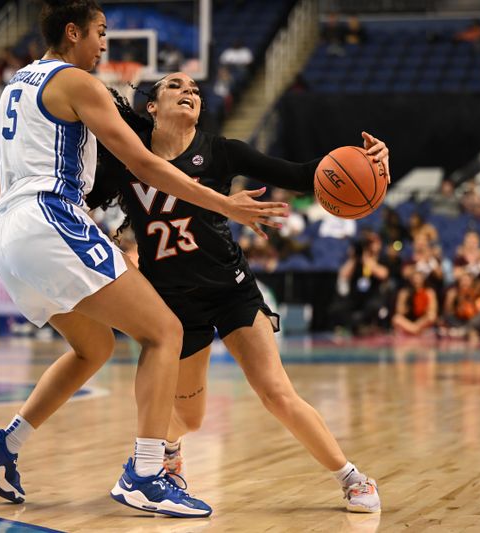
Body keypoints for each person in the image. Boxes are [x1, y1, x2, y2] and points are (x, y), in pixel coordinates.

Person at [0, 0, 286, 518]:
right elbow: (142, 163)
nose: (105, 44)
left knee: (91, 347)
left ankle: (5, 447)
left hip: (7, 233)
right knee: (165, 332)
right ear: (72, 33)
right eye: (99, 32)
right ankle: (144, 474)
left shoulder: (18, 81)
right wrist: (224, 203)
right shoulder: (76, 82)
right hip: (51, 218)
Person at [88, 72, 390, 513]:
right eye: (175, 86)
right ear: (151, 106)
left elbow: (305, 174)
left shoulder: (220, 151)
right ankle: (166, 450)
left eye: (194, 89)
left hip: (231, 289)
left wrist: (368, 163)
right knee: (190, 419)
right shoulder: (126, 158)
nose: (189, 91)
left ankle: (352, 478)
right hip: (173, 305)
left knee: (275, 391)